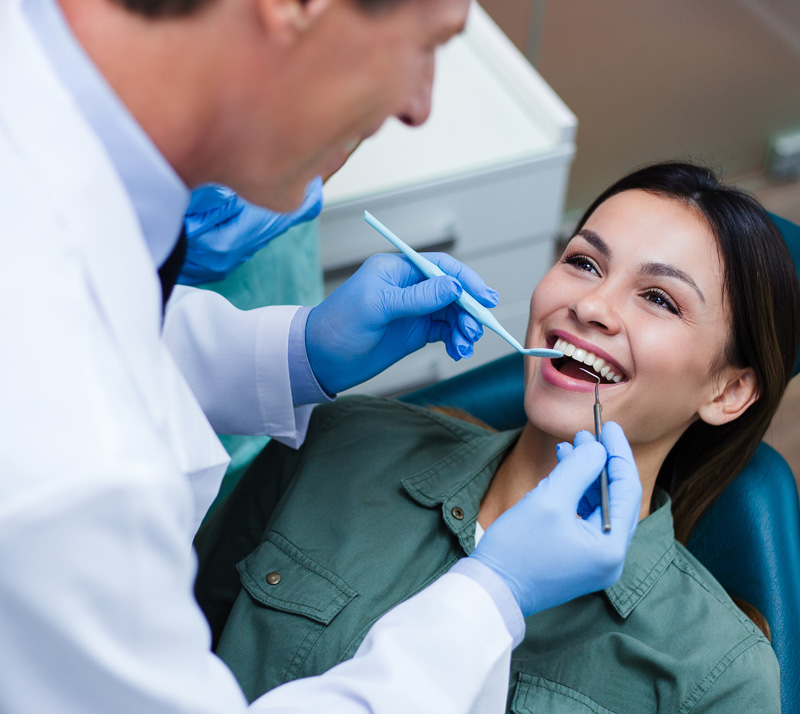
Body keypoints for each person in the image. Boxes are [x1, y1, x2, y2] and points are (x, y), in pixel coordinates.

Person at [0, 0, 644, 712]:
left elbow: (102, 313)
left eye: (661, 300)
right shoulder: (77, 476)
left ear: (734, 389)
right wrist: (491, 602)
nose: (419, 106)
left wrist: (295, 352)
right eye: (426, 45)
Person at [194, 162, 800, 712]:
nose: (591, 304)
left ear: (729, 392)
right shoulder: (337, 442)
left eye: (659, 298)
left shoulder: (723, 679)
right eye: (584, 262)